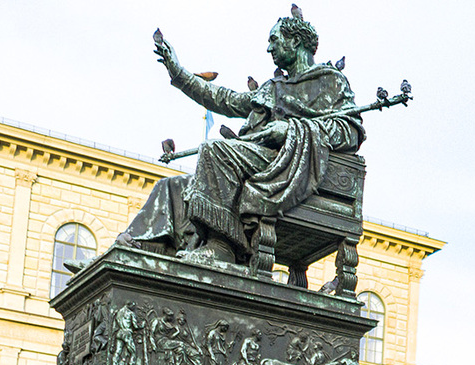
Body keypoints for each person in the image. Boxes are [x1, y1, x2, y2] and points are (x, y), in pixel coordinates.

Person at [105, 11, 365, 267]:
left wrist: (291, 130)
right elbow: (224, 99)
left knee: (216, 150)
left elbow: (349, 130)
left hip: (287, 164)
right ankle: (140, 251)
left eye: (274, 40)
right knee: (171, 187)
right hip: (257, 163)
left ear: (295, 41)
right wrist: (179, 72)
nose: (268, 49)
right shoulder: (273, 88)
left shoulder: (329, 81)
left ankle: (223, 246)